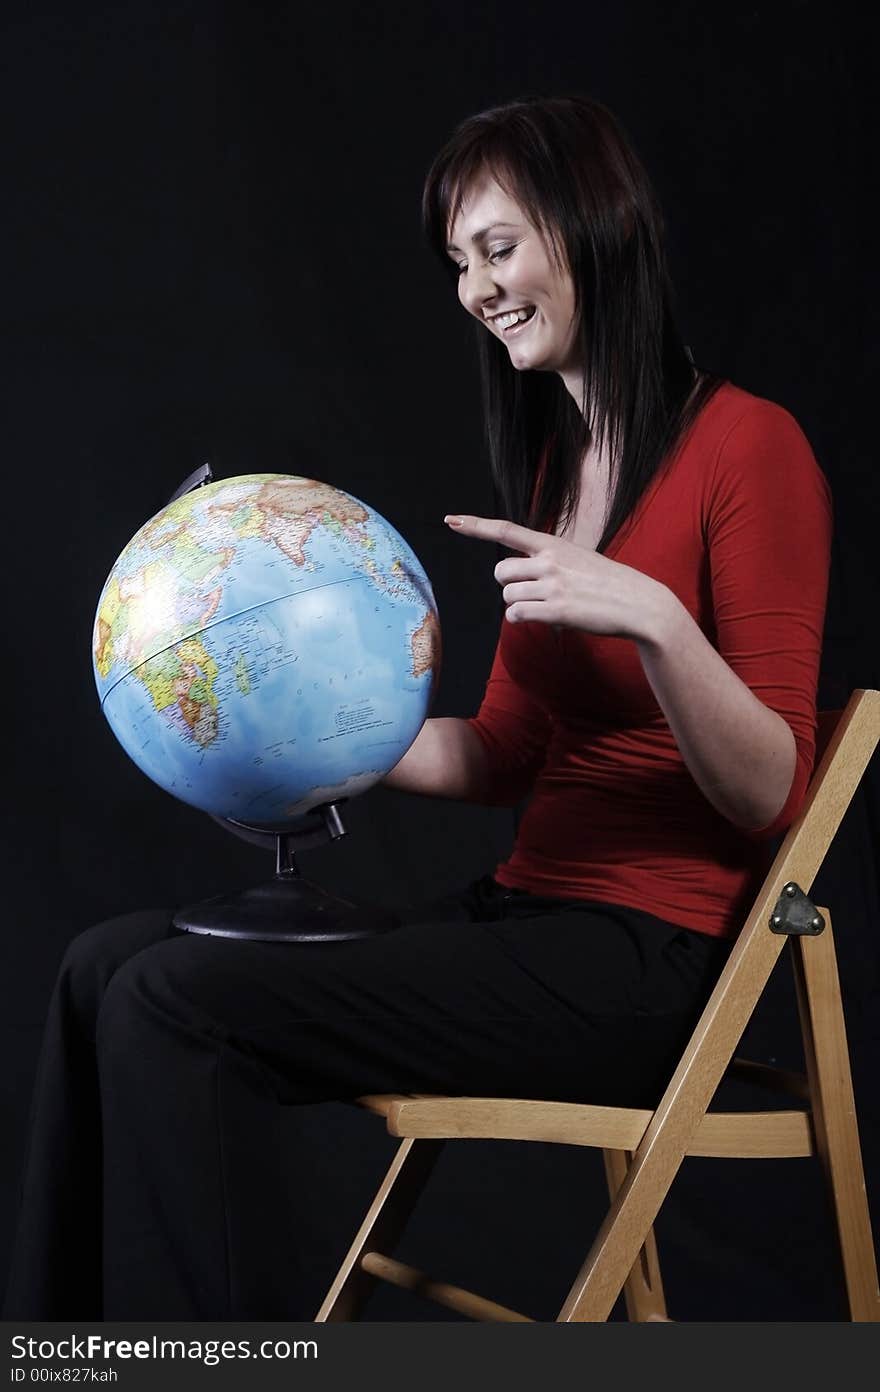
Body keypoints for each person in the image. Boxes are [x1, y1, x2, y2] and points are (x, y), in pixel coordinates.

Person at [2, 94, 832, 1321]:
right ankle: (66, 1352)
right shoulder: (561, 467)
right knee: (99, 965)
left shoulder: (749, 448)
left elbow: (772, 791)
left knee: (175, 1007)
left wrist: (653, 616)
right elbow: (499, 755)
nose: (474, 288)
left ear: (593, 225)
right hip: (522, 920)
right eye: (459, 263)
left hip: (643, 967)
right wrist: (269, 714)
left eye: (496, 247)